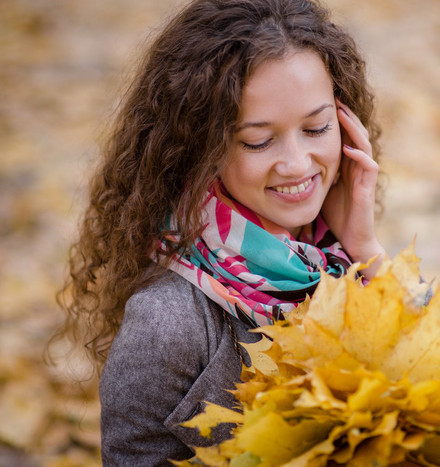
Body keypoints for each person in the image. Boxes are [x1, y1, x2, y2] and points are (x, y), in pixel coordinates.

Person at [56, 0, 385, 464]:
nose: (296, 164)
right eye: (257, 140)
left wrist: (368, 252)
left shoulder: (342, 257)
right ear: (202, 146)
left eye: (316, 128)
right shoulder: (167, 324)